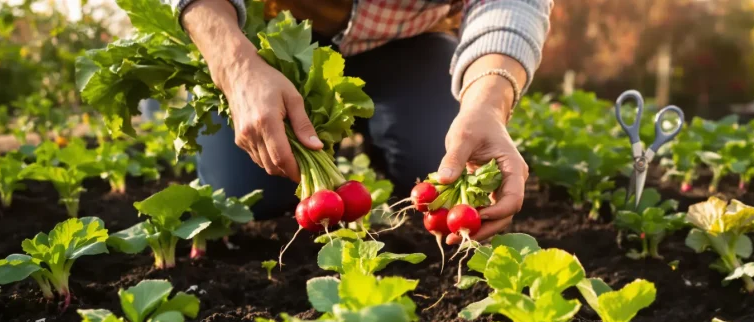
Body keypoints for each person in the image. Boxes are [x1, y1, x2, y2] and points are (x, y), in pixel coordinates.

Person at [173, 0, 552, 245]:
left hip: (409, 39)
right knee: (246, 193)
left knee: (442, 161)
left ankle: (389, 133)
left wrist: (487, 103)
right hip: (271, 40)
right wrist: (236, 67)